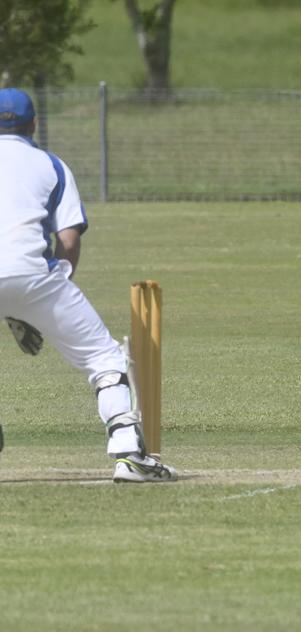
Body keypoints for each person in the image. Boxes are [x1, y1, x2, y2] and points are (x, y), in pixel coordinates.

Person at [0, 88, 177, 482]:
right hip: (34, 278)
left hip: (24, 282)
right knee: (104, 358)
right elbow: (68, 240)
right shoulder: (51, 165)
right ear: (34, 124)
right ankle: (129, 455)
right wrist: (41, 304)